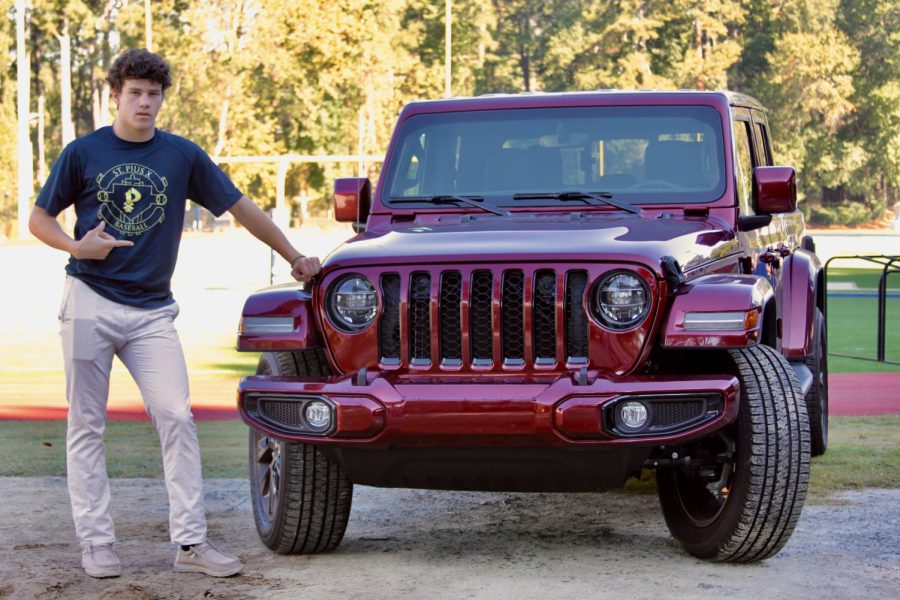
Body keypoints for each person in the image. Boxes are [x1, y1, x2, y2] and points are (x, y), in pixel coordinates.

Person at [28, 48, 321, 579]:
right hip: (88, 301)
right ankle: (97, 544)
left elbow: (241, 207)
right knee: (86, 426)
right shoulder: (83, 152)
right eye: (135, 92)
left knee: (177, 419)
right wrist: (76, 248)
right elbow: (38, 218)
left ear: (162, 99)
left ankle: (190, 545)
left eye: (153, 94)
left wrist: (295, 256)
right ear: (115, 95)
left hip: (152, 313)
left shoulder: (182, 156)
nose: (144, 102)